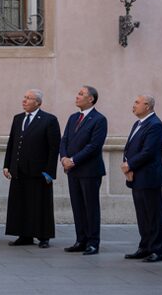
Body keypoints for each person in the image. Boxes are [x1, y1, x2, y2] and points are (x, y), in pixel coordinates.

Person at [3, 89, 60, 248]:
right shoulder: (18, 118)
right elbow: (12, 143)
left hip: (39, 172)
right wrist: (7, 165)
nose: (24, 100)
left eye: (29, 98)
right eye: (24, 97)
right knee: (20, 204)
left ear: (38, 102)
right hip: (19, 170)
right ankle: (24, 235)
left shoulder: (49, 120)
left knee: (40, 205)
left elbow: (53, 148)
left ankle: (44, 236)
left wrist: (49, 172)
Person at [60, 85, 107, 255]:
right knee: (78, 206)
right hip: (72, 170)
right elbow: (64, 140)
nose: (77, 96)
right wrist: (64, 158)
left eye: (81, 94)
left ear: (91, 99)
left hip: (89, 170)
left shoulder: (99, 119)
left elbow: (94, 146)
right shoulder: (73, 118)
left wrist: (73, 160)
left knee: (90, 207)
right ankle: (81, 240)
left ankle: (93, 242)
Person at [122, 94, 162, 262]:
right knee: (142, 215)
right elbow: (129, 148)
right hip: (136, 176)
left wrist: (130, 164)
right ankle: (145, 246)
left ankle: (156, 250)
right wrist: (126, 165)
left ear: (147, 106)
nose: (134, 105)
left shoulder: (155, 124)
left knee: (153, 215)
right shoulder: (138, 123)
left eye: (137, 102)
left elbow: (148, 151)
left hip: (148, 177)